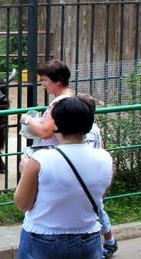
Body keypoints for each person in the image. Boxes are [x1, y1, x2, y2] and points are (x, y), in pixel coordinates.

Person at [14, 96, 114, 259]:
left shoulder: (39, 160)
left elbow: (22, 203)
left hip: (41, 238)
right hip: (88, 239)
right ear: (89, 124)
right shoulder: (105, 159)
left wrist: (26, 171)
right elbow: (100, 195)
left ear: (56, 125)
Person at [77, 94, 118, 258]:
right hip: (90, 175)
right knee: (95, 209)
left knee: (98, 211)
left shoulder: (89, 131)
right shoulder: (92, 128)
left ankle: (109, 241)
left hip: (89, 176)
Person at [21, 59, 74, 146]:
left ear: (58, 81)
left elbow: (45, 132)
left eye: (45, 80)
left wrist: (27, 119)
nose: (43, 84)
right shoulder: (71, 98)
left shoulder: (58, 103)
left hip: (53, 152)